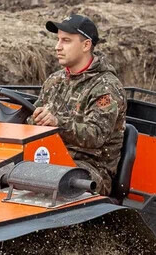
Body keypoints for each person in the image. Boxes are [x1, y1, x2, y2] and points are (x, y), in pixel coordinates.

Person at [32, 15, 126, 197]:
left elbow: (95, 135)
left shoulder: (106, 88)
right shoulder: (55, 81)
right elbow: (33, 116)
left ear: (86, 45)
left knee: (47, 180)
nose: (57, 47)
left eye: (66, 41)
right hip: (51, 157)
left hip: (90, 170)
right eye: (58, 40)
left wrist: (57, 123)